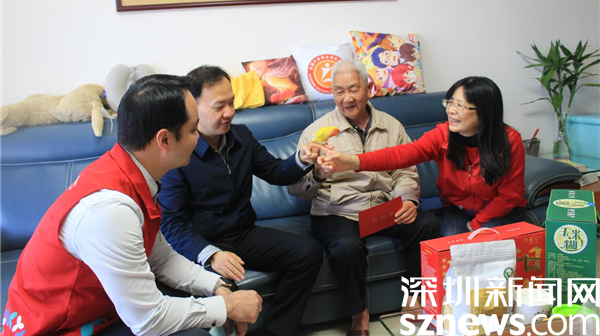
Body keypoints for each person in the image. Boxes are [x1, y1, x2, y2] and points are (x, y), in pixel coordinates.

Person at [3, 75, 262, 336]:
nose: (199, 138)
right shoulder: (110, 211)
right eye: (194, 130)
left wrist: (217, 286)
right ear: (164, 140)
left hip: (100, 312)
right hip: (57, 328)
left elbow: (160, 258)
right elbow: (148, 319)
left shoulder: (132, 174)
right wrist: (226, 306)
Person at [158, 66, 323, 336]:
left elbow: (276, 172)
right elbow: (171, 224)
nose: (229, 112)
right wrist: (211, 255)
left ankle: (275, 333)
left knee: (307, 253)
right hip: (202, 244)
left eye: (231, 103)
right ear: (192, 107)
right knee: (227, 295)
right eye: (219, 106)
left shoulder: (242, 136)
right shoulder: (178, 151)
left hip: (243, 234)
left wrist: (301, 159)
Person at [288, 59, 440, 336]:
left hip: (381, 207)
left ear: (368, 88)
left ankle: (414, 298)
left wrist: (408, 199)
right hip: (337, 212)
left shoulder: (391, 126)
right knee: (346, 247)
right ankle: (358, 313)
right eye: (339, 91)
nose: (347, 98)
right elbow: (296, 188)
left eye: (353, 89)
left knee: (427, 224)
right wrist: (318, 175)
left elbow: (405, 171)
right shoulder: (316, 133)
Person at [319, 76, 527, 237]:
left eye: (460, 106)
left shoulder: (509, 141)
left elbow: (509, 196)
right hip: (458, 209)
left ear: (484, 112)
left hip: (497, 210)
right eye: (450, 103)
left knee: (486, 241)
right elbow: (403, 154)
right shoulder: (443, 134)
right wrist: (352, 161)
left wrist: (476, 224)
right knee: (451, 247)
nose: (451, 111)